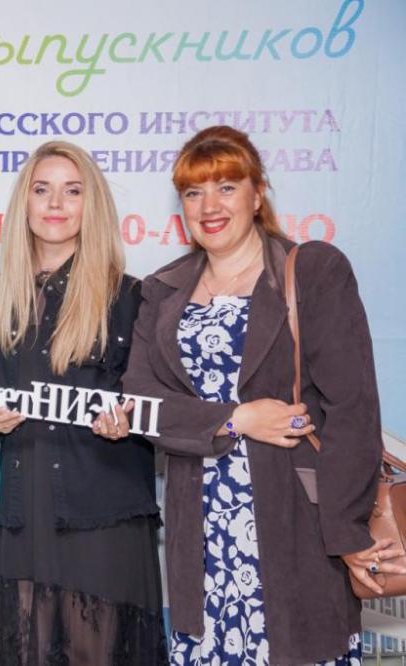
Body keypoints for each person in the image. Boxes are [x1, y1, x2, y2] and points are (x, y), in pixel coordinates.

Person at [122, 125, 395, 664]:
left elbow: (352, 410)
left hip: (300, 527)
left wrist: (347, 531)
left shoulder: (312, 270)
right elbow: (142, 404)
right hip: (200, 533)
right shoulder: (161, 289)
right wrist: (236, 418)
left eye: (227, 187)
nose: (209, 206)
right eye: (194, 192)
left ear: (257, 193)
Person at [0, 141, 167, 664]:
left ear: (92, 204)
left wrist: (130, 419)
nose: (55, 203)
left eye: (72, 191)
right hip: (24, 515)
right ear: (25, 202)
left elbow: (161, 403)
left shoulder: (131, 297)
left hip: (102, 513)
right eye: (42, 190)